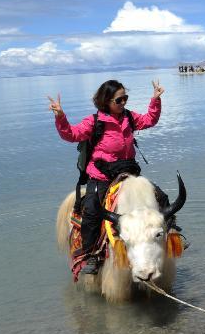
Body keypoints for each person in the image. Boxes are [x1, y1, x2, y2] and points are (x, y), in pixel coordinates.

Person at [49, 79, 165, 274]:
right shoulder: (94, 122)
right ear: (106, 101)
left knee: (161, 197)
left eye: (125, 98)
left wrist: (155, 100)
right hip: (101, 175)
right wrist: (60, 117)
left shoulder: (129, 117)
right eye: (119, 100)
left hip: (128, 173)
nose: (123, 103)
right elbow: (71, 134)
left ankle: (172, 235)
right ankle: (90, 254)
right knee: (92, 211)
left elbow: (149, 120)